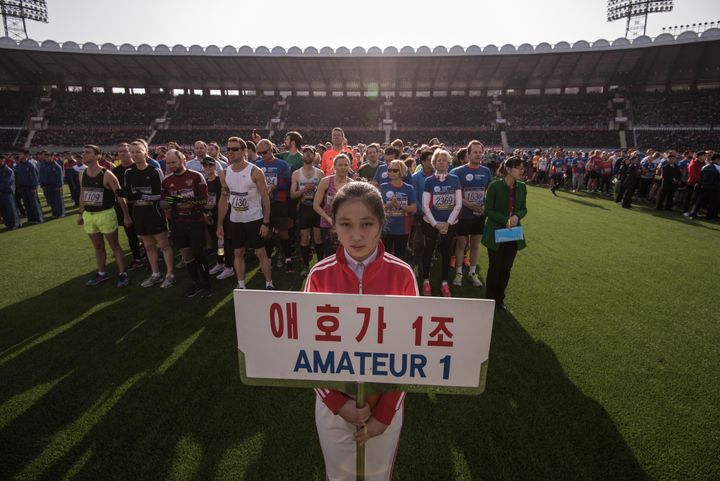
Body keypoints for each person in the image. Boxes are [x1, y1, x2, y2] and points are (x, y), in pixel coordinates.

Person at [304, 181, 417, 481]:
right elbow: (303, 349)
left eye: (367, 224)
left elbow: (415, 351)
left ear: (381, 225)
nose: (356, 235)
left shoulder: (403, 274)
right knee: (339, 476)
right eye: (345, 224)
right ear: (334, 226)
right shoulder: (319, 275)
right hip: (334, 406)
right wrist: (337, 403)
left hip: (384, 406)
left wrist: (385, 413)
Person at [216, 137, 274, 290]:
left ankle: (269, 284)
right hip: (235, 220)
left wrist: (266, 222)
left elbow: (265, 198)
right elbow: (223, 200)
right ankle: (241, 286)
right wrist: (220, 224)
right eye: (228, 149)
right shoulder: (224, 174)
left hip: (255, 219)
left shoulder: (255, 172)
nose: (230, 152)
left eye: (234, 149)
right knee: (238, 252)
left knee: (260, 252)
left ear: (244, 151)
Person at [122, 141, 175, 288]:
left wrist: (144, 196)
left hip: (154, 213)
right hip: (139, 213)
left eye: (137, 151)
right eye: (132, 152)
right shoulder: (129, 173)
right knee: (148, 246)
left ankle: (170, 274)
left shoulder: (155, 171)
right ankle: (155, 274)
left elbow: (163, 194)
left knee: (163, 245)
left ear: (145, 153)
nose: (134, 155)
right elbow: (128, 194)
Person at [77, 144, 132, 288]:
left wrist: (126, 216)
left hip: (106, 214)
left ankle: (122, 274)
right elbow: (82, 195)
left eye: (88, 152)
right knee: (98, 247)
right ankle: (102, 274)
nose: (84, 155)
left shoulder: (107, 174)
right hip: (90, 215)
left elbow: (120, 197)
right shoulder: (82, 174)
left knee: (114, 246)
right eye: (83, 152)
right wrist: (80, 213)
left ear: (98, 156)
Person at [162, 148, 212, 298]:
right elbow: (163, 203)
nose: (171, 165)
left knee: (198, 253)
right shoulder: (166, 181)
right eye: (168, 163)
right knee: (186, 255)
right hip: (178, 223)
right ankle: (196, 282)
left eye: (174, 162)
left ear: (183, 160)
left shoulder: (196, 177)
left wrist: (177, 200)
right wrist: (184, 201)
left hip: (195, 221)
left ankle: (206, 284)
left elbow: (203, 200)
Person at [482, 156, 527, 312]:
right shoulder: (495, 186)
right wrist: (505, 220)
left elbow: (523, 208)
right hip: (495, 233)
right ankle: (489, 300)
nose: (522, 171)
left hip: (512, 234)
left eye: (523, 168)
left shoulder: (522, 187)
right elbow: (488, 210)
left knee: (506, 268)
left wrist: (517, 216)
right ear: (508, 169)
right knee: (495, 267)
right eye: (519, 168)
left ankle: (500, 299)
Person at [420, 149, 463, 297]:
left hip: (450, 224)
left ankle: (444, 282)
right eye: (438, 160)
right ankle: (426, 280)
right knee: (428, 251)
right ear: (434, 163)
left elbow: (458, 204)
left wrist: (448, 223)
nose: (441, 162)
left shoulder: (455, 179)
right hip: (431, 223)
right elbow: (425, 206)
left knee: (446, 252)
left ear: (448, 162)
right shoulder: (429, 181)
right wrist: (436, 224)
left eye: (444, 160)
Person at [450, 140, 491, 288]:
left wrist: (484, 205)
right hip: (462, 215)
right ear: (468, 154)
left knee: (475, 245)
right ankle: (459, 273)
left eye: (480, 152)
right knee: (461, 244)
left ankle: (472, 273)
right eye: (475, 152)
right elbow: (452, 193)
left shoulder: (486, 171)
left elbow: (489, 192)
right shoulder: (457, 172)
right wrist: (467, 203)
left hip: (478, 216)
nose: (478, 155)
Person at [255, 139, 293, 269]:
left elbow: (288, 183)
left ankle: (288, 258)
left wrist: (274, 186)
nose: (262, 155)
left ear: (271, 149)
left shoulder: (282, 164)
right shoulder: (257, 164)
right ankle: (268, 259)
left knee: (283, 232)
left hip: (278, 202)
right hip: (262, 203)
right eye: (259, 153)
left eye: (264, 152)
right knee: (267, 233)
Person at [290, 145, 324, 275]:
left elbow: (324, 194)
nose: (308, 156)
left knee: (318, 238)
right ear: (302, 156)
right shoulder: (297, 173)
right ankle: (305, 266)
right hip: (304, 208)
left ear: (315, 156)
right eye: (305, 154)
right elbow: (292, 194)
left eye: (310, 154)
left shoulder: (320, 173)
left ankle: (320, 265)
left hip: (316, 208)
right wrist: (304, 190)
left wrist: (315, 193)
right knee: (304, 238)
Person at [113, 142, 147, 271]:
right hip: (124, 207)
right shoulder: (115, 171)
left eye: (125, 151)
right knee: (131, 234)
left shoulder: (139, 167)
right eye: (120, 151)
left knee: (146, 233)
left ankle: (149, 257)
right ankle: (137, 258)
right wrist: (126, 215)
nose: (122, 153)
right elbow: (118, 195)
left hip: (141, 206)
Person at [314, 154, 354, 258]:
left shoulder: (352, 184)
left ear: (349, 167)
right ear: (334, 166)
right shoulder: (326, 181)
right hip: (327, 223)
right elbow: (316, 205)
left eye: (346, 165)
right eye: (340, 165)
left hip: (345, 224)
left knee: (346, 253)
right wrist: (328, 218)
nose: (343, 167)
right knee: (329, 254)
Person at [379, 159, 416, 260]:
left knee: (400, 256)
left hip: (402, 229)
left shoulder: (409, 188)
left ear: (402, 171)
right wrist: (389, 205)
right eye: (389, 170)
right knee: (385, 256)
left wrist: (400, 206)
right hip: (386, 228)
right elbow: (378, 207)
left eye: (394, 170)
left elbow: (414, 208)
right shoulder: (383, 187)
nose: (391, 172)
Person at [14, 149, 43, 224]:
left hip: (30, 188)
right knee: (27, 204)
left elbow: (34, 177)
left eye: (21, 154)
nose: (19, 156)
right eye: (19, 154)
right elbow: (17, 178)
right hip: (22, 188)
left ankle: (38, 219)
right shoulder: (18, 165)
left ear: (26, 155)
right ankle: (31, 219)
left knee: (33, 204)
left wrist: (34, 187)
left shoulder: (31, 165)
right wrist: (18, 187)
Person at [38, 154, 64, 218]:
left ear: (52, 157)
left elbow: (60, 177)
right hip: (47, 186)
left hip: (55, 186)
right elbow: (41, 175)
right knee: (51, 201)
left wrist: (59, 185)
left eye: (48, 157)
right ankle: (54, 213)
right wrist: (42, 184)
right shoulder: (43, 165)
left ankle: (60, 214)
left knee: (58, 201)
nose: (47, 158)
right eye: (46, 157)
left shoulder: (57, 166)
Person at [0, 161, 20, 229]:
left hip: (7, 192)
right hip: (1, 192)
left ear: (2, 160)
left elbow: (7, 182)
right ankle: (8, 224)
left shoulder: (8, 170)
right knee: (3, 210)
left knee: (11, 209)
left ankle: (15, 224)